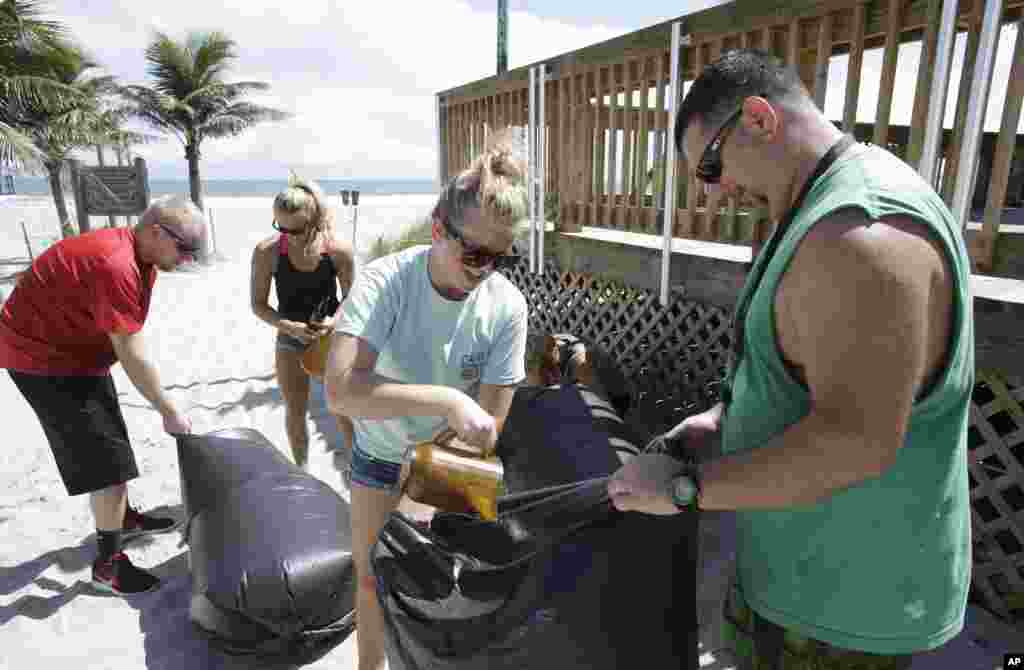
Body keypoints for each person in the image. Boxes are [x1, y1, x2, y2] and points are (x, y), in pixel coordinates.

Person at [608, 48, 974, 670]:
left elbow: (856, 443)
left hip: (846, 611)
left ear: (758, 118)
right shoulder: (813, 208)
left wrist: (683, 488)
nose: (717, 194)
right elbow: (808, 380)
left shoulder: (863, 234)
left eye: (712, 167)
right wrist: (717, 426)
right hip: (791, 579)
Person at [324, 138, 529, 670]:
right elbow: (341, 389)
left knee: (447, 588)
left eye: (502, 257)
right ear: (439, 227)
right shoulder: (386, 282)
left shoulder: (506, 306)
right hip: (379, 457)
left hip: (455, 464)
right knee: (371, 580)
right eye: (476, 254)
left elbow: (489, 426)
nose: (486, 270)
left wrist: (422, 495)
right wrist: (445, 400)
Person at [0, 195, 208, 595]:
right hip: (44, 361)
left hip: (75, 352)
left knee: (111, 440)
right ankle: (108, 567)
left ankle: (123, 517)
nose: (187, 259)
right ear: (155, 231)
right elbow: (130, 350)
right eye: (184, 249)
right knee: (107, 465)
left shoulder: (137, 253)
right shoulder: (116, 265)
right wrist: (167, 409)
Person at [250, 176, 355, 469]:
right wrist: (288, 326)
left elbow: (352, 298)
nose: (289, 235)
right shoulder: (267, 252)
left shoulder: (338, 251)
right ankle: (303, 472)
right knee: (295, 410)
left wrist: (334, 321)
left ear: (316, 220)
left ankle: (360, 474)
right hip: (289, 337)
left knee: (343, 407)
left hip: (331, 338)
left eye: (296, 229)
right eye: (281, 227)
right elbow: (258, 305)